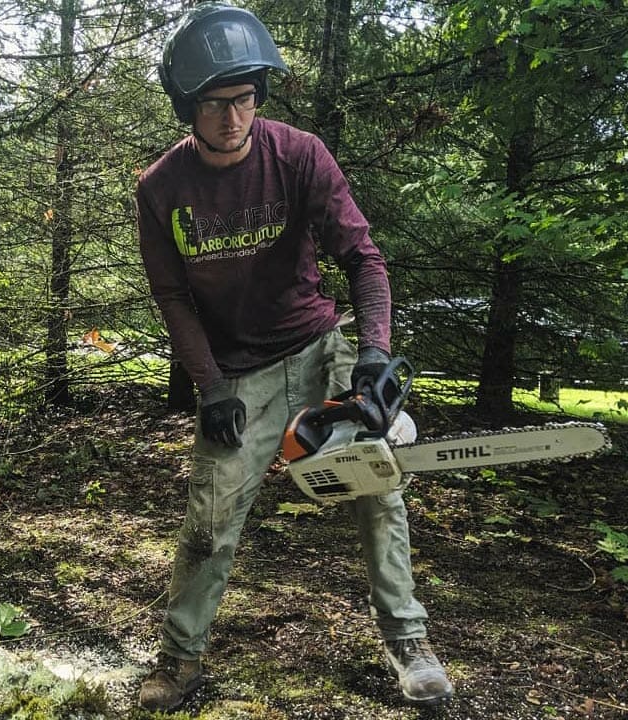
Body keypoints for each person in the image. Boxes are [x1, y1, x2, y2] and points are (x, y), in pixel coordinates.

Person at [135, 2, 453, 712]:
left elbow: (363, 260)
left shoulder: (299, 154)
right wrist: (208, 385)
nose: (232, 118)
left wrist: (373, 354)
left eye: (244, 98)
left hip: (315, 347)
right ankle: (179, 660)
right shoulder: (160, 188)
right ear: (187, 105)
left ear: (261, 95)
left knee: (376, 482)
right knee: (209, 523)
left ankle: (409, 639)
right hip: (236, 375)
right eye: (215, 103)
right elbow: (173, 299)